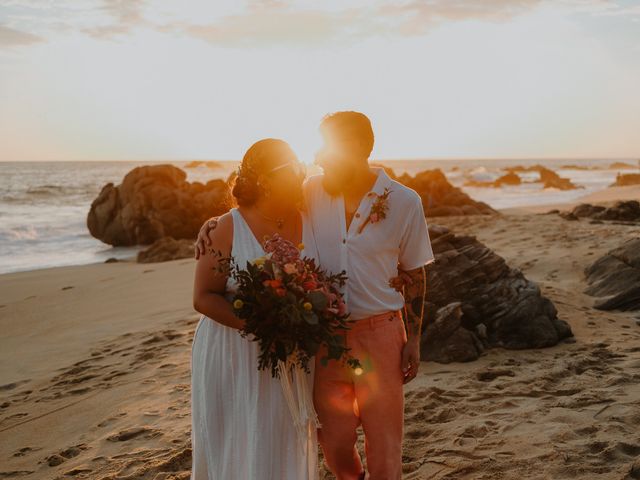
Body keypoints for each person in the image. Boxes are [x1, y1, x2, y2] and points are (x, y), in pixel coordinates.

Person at [195, 112, 435, 480]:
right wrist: (212, 228)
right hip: (324, 339)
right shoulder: (310, 193)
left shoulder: (404, 202)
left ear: (355, 148)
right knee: (333, 441)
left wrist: (414, 339)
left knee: (385, 447)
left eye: (326, 147)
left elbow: (415, 273)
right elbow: (255, 207)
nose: (317, 158)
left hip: (381, 333)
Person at [191, 138, 319, 479]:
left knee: (284, 434)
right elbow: (203, 297)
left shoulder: (311, 215)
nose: (300, 174)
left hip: (293, 350)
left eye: (301, 166)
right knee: (237, 438)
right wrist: (264, 328)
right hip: (232, 351)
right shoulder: (225, 227)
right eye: (291, 168)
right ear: (263, 179)